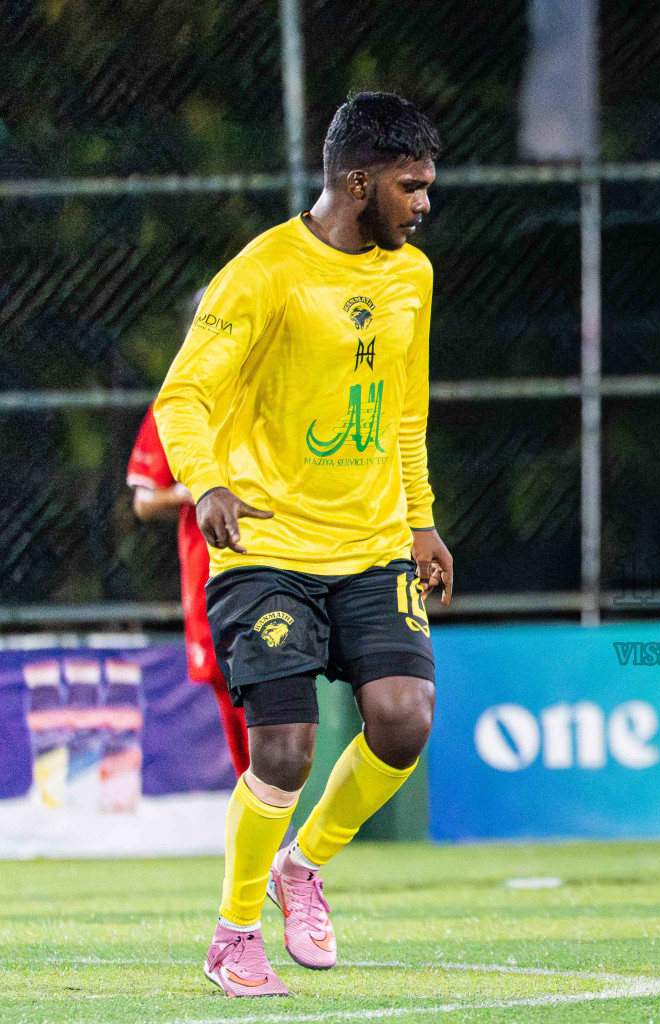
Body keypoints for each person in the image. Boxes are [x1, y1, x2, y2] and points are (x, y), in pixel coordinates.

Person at [155, 92, 454, 997]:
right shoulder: (262, 272)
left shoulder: (413, 276)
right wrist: (206, 482)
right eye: (411, 186)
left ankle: (304, 868)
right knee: (281, 750)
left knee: (404, 719)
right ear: (357, 182)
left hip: (371, 544)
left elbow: (405, 411)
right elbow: (182, 397)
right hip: (268, 547)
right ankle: (234, 933)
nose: (425, 204)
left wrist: (421, 517)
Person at [127, 400, 250, 775]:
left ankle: (278, 806)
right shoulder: (178, 400)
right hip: (209, 570)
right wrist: (196, 492)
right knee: (227, 681)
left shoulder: (277, 383)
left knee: (276, 677)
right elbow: (143, 500)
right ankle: (265, 808)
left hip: (282, 556)